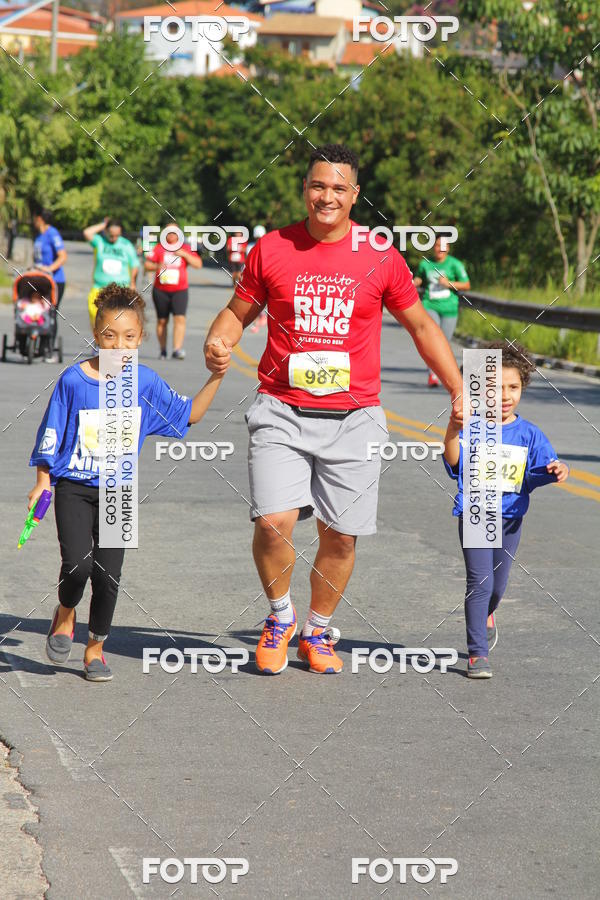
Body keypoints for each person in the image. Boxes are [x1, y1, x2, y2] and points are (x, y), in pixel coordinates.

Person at [204, 142, 463, 676]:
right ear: (305, 188)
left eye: (338, 188)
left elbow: (421, 326)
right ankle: (280, 617)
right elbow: (236, 311)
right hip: (281, 408)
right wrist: (218, 339)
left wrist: (460, 388)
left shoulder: (380, 255)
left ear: (355, 194)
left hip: (355, 419)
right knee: (273, 523)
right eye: (318, 185)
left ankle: (317, 630)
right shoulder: (272, 248)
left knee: (341, 536)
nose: (327, 196)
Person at [28, 284, 223, 682]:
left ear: (141, 338)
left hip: (119, 491)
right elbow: (50, 435)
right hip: (74, 488)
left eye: (129, 337)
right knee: (77, 566)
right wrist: (42, 483)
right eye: (110, 336)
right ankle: (65, 613)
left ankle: (95, 649)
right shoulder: (73, 381)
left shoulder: (145, 383)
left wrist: (217, 375)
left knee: (108, 576)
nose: (119, 345)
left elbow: (189, 415)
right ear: (96, 335)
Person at [443, 340, 569, 679]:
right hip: (476, 513)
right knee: (480, 582)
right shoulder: (471, 425)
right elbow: (454, 463)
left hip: (511, 518)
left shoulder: (530, 434)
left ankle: (487, 613)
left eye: (513, 387)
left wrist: (557, 470)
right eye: (495, 388)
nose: (504, 395)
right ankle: (477, 654)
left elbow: (538, 472)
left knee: (497, 587)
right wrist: (452, 430)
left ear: (522, 387)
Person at [413, 237, 470, 387]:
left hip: (449, 308)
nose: (440, 249)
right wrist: (415, 282)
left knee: (444, 343)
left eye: (443, 246)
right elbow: (419, 278)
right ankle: (432, 374)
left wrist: (449, 283)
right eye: (437, 245)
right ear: (433, 247)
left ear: (448, 248)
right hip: (429, 305)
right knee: (432, 339)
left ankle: (444, 374)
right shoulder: (426, 263)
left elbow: (466, 284)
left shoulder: (455, 264)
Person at [144, 223, 203, 360]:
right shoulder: (159, 248)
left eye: (174, 231)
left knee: (180, 318)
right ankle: (163, 350)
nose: (171, 234)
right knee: (162, 321)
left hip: (180, 290)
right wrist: (157, 266)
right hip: (161, 290)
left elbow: (198, 264)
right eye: (168, 231)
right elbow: (147, 265)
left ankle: (177, 349)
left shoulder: (185, 248)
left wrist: (184, 255)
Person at [83, 218, 138, 331]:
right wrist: (103, 224)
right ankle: (98, 340)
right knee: (97, 319)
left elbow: (134, 265)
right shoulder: (99, 241)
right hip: (99, 288)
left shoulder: (126, 245)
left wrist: (133, 283)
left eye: (117, 235)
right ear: (106, 231)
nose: (114, 238)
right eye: (111, 235)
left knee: (116, 323)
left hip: (120, 289)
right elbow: (87, 232)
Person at [32, 209, 67, 363]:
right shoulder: (39, 236)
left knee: (51, 312)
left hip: (54, 280)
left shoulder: (52, 234)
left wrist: (49, 269)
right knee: (38, 310)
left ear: (40, 218)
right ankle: (37, 346)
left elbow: (63, 256)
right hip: (39, 279)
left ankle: (48, 348)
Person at [247, 225, 268, 334]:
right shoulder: (250, 246)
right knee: (253, 301)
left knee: (262, 300)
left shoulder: (268, 246)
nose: (259, 239)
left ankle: (262, 316)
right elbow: (247, 262)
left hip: (264, 276)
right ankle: (256, 322)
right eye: (257, 237)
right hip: (253, 277)